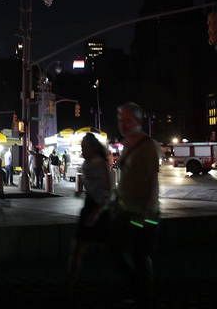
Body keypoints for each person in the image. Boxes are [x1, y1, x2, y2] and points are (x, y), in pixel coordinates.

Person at [111, 102, 160, 309]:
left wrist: (147, 213)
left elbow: (152, 181)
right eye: (120, 119)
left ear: (139, 121)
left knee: (140, 255)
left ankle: (144, 297)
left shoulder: (146, 145)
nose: (123, 124)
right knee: (118, 250)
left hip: (143, 214)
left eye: (128, 119)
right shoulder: (127, 144)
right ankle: (137, 291)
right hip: (126, 209)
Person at [68, 133, 113, 286]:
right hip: (90, 206)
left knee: (99, 247)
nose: (82, 150)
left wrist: (97, 212)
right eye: (82, 147)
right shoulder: (87, 162)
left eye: (84, 147)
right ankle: (73, 280)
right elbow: (88, 182)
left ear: (93, 148)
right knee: (79, 246)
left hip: (99, 208)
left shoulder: (101, 163)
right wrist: (80, 189)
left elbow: (108, 190)